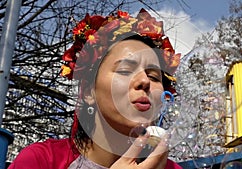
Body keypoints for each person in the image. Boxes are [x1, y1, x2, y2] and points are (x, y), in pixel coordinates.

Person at [8, 8, 182, 169]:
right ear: (89, 92)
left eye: (153, 76)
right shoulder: (43, 161)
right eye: (125, 70)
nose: (144, 81)